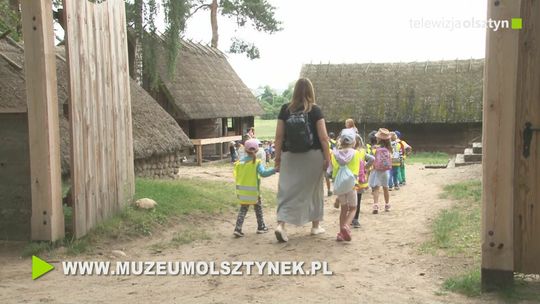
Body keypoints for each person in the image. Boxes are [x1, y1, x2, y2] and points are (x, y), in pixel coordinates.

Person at [273, 78, 331, 243]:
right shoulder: (315, 110)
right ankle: (315, 226)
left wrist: (277, 158)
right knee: (314, 190)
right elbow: (324, 138)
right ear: (311, 91)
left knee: (287, 190)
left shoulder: (285, 110)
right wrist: (327, 158)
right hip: (313, 155)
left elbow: (278, 137)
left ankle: (281, 225)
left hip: (290, 156)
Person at [233, 139, 276, 237]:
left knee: (243, 209)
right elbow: (263, 173)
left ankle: (238, 228)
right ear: (257, 150)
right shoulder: (256, 163)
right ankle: (261, 227)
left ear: (245, 150)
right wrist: (274, 170)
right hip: (254, 192)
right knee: (258, 209)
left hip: (242, 192)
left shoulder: (239, 163)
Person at [326, 130, 360, 241]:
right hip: (351, 184)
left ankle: (341, 233)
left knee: (344, 209)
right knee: (353, 208)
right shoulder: (356, 153)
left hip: (338, 185)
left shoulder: (334, 153)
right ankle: (346, 226)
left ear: (340, 141)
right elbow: (359, 169)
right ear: (354, 142)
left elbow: (330, 170)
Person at [351, 134, 375, 228]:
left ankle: (348, 218)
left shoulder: (347, 152)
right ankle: (355, 220)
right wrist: (365, 168)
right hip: (360, 180)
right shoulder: (362, 152)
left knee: (349, 200)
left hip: (349, 180)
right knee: (358, 200)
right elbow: (372, 159)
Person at [369, 128, 392, 214]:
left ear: (379, 138)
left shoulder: (375, 149)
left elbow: (373, 159)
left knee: (376, 188)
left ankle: (376, 205)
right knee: (385, 188)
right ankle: (387, 205)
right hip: (386, 171)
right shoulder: (389, 149)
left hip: (377, 170)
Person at [325, 132, 338, 196]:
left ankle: (329, 190)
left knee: (327, 175)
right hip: (335, 160)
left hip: (329, 160)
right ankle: (335, 189)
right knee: (335, 175)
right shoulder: (336, 143)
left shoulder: (328, 142)